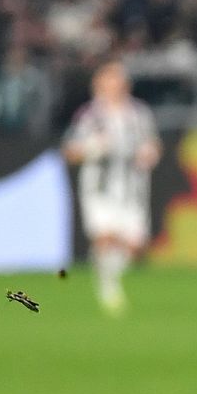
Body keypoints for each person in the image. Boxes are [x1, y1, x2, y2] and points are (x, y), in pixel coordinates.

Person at [62, 60, 160, 316]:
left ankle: (108, 274)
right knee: (105, 236)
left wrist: (149, 154)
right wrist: (93, 147)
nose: (115, 85)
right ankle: (108, 288)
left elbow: (152, 145)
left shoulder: (139, 114)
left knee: (135, 245)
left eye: (118, 80)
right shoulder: (89, 115)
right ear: (99, 85)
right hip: (99, 187)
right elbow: (70, 151)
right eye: (109, 80)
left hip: (133, 188)